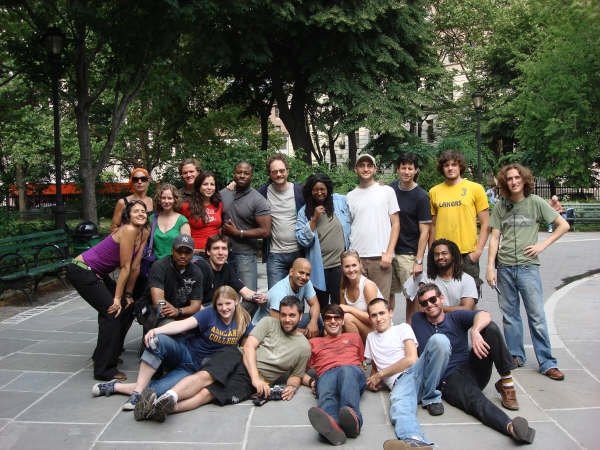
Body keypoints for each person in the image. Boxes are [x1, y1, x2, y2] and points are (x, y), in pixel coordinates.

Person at [133, 295, 311, 422]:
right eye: (284, 314)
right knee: (205, 376)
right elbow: (249, 346)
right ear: (279, 314)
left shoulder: (303, 347)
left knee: (207, 394)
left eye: (292, 316)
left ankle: (159, 409)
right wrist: (256, 377)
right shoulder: (268, 323)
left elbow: (296, 374)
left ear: (300, 316)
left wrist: (292, 387)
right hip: (238, 356)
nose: (287, 319)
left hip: (248, 381)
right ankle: (172, 395)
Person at [91, 285, 253, 412]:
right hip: (185, 352)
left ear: (236, 301)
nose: (224, 308)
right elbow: (182, 325)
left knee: (159, 390)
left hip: (196, 370)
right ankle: (137, 392)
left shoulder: (243, 319)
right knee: (157, 340)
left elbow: (249, 346)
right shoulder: (209, 314)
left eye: (228, 304)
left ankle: (114, 387)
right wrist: (155, 330)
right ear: (215, 305)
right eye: (220, 304)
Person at [411, 282, 535, 445]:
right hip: (449, 379)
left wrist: (475, 331)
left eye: (433, 299)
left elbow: (484, 315)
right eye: (424, 303)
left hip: (473, 367)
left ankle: (507, 382)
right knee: (475, 400)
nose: (429, 305)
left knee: (489, 329)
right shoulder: (418, 320)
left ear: (441, 299)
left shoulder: (455, 317)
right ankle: (511, 427)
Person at [487, 163, 568, 380]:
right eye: (509, 179)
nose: (513, 182)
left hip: (527, 267)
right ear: (505, 182)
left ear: (524, 180)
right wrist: (489, 267)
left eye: (517, 178)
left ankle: (547, 362)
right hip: (504, 267)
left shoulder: (535, 203)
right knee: (510, 316)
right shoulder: (500, 206)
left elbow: (563, 225)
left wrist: (542, 245)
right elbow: (494, 237)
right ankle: (515, 355)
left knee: (537, 316)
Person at [67, 200, 149, 381]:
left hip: (98, 274)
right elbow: (125, 267)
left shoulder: (144, 231)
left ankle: (106, 355)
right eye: (136, 211)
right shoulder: (128, 230)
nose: (141, 214)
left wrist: (128, 295)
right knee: (112, 312)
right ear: (128, 215)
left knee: (126, 311)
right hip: (82, 270)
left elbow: (135, 267)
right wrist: (117, 298)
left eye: (143, 211)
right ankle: (104, 369)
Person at [364, 298, 433, 450]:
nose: (379, 318)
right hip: (401, 383)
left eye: (382, 313)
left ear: (390, 313)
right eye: (374, 315)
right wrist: (375, 381)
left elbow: (411, 359)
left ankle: (412, 440)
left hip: (416, 373)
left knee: (437, 341)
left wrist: (380, 374)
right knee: (400, 400)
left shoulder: (402, 328)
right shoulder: (370, 338)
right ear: (370, 318)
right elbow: (376, 368)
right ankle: (417, 442)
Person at [303, 304, 366, 446]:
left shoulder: (354, 337)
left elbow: (361, 363)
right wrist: (312, 382)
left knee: (346, 371)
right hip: (326, 373)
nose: (332, 321)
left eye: (336, 318)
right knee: (326, 388)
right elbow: (300, 371)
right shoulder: (313, 343)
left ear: (343, 321)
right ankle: (333, 426)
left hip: (351, 371)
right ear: (323, 322)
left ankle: (353, 418)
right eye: (328, 318)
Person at [429, 150, 489, 295]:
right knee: (442, 296)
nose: (450, 168)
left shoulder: (475, 189)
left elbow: (486, 223)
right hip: (442, 255)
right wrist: (432, 252)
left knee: (469, 297)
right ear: (442, 168)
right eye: (446, 165)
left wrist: (478, 251)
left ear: (460, 166)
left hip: (467, 254)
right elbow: (433, 225)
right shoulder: (434, 192)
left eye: (454, 164)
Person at [220, 161, 271, 314]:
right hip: (222, 254)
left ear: (251, 176)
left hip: (245, 255)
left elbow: (265, 231)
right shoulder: (223, 194)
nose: (242, 175)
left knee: (250, 298)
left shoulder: (258, 200)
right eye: (239, 172)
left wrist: (238, 233)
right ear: (233, 173)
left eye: (246, 173)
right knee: (222, 296)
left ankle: (240, 332)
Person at [347, 153, 400, 300]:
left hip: (380, 257)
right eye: (361, 165)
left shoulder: (387, 191)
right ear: (355, 169)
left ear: (375, 169)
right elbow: (350, 226)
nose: (365, 169)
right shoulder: (350, 196)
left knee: (381, 303)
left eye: (369, 165)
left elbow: (396, 223)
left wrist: (389, 253)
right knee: (360, 302)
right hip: (357, 259)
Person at [296, 173, 351, 310]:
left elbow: (358, 200)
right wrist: (314, 219)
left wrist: (377, 185)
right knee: (321, 308)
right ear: (310, 191)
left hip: (339, 266)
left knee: (340, 306)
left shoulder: (340, 201)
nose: (319, 192)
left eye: (323, 189)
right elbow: (302, 240)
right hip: (319, 269)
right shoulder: (304, 212)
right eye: (315, 189)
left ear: (328, 189)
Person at [388, 153, 431, 318]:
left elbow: (425, 231)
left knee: (413, 297)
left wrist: (419, 261)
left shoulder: (421, 196)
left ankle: (412, 334)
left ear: (416, 171)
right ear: (397, 169)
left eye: (410, 168)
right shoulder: (390, 190)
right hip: (389, 251)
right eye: (403, 167)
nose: (406, 171)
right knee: (387, 294)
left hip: (409, 254)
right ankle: (388, 333)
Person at [258, 153, 305, 288]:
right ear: (270, 174)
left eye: (282, 171)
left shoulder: (299, 190)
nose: (279, 174)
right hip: (275, 254)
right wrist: (232, 186)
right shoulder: (263, 192)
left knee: (297, 298)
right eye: (274, 172)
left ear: (287, 171)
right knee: (276, 297)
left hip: (298, 252)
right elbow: (247, 197)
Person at [141, 235, 205, 332]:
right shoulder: (159, 266)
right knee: (168, 324)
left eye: (187, 252)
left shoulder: (197, 272)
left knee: (202, 322)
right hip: (154, 308)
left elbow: (196, 305)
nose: (183, 255)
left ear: (193, 253)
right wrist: (170, 310)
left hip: (180, 310)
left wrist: (178, 311)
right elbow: (158, 301)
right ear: (172, 251)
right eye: (179, 251)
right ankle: (149, 341)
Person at [254, 258, 321, 338]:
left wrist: (313, 322)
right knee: (302, 336)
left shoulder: (306, 282)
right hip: (266, 328)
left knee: (317, 319)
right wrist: (303, 332)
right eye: (301, 273)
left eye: (307, 274)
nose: (304, 277)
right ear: (291, 272)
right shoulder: (279, 292)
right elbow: (278, 326)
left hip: (288, 321)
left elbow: (315, 304)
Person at [198, 234, 266, 307]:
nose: (220, 253)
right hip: (202, 309)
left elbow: (244, 291)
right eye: (216, 248)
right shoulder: (201, 268)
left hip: (219, 307)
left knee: (254, 303)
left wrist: (258, 297)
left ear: (228, 251)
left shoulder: (227, 268)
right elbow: (196, 304)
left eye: (224, 248)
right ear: (208, 252)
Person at [339, 250, 382, 342]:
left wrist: (350, 309)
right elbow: (341, 314)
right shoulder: (343, 288)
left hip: (379, 330)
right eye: (347, 266)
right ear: (342, 268)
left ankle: (357, 353)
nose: (351, 270)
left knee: (347, 318)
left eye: (354, 265)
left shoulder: (367, 286)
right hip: (361, 330)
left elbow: (374, 319)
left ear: (360, 264)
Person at [425, 239, 478, 311]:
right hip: (435, 320)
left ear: (453, 256)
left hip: (460, 320)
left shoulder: (467, 279)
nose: (440, 257)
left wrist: (437, 308)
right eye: (437, 254)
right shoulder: (426, 279)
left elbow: (467, 309)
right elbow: (422, 307)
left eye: (444, 253)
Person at [180, 171, 223, 257]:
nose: (209, 187)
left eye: (212, 184)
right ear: (198, 186)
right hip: (195, 252)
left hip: (215, 252)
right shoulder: (186, 206)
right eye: (205, 184)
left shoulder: (219, 204)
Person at [150, 184, 191, 260]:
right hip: (154, 264)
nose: (166, 201)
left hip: (174, 264)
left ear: (175, 199)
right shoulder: (152, 218)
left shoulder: (182, 221)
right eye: (163, 198)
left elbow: (186, 248)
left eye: (169, 198)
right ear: (159, 199)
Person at [110, 167, 154, 232]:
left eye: (143, 179)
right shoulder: (122, 202)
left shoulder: (153, 202)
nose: (139, 182)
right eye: (135, 179)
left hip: (150, 241)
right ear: (132, 182)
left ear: (148, 181)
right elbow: (114, 228)